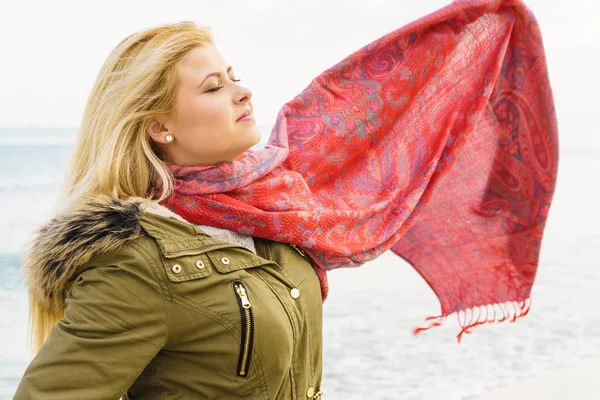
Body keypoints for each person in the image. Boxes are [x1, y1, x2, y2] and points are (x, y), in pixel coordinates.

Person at [14, 21, 324, 399]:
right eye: (214, 87)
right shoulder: (135, 260)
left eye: (234, 77)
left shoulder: (269, 212)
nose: (243, 92)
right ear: (160, 127)